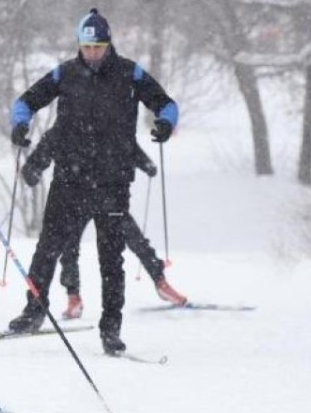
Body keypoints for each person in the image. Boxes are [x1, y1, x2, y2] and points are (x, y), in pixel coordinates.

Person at [6, 8, 178, 356]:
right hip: (69, 178)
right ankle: (33, 311)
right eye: (87, 47)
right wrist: (21, 125)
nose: (93, 54)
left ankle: (110, 329)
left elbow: (166, 104)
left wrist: (164, 125)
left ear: (108, 44)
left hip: (113, 181)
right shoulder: (64, 74)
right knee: (47, 249)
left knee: (111, 259)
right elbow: (26, 101)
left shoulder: (130, 73)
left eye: (99, 47)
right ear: (79, 46)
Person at [20, 124, 188, 320]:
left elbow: (126, 143)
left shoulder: (110, 118)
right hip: (76, 195)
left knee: (133, 238)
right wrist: (32, 169)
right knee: (70, 247)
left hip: (106, 195)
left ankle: (160, 282)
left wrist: (145, 163)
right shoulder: (69, 120)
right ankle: (73, 297)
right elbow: (50, 143)